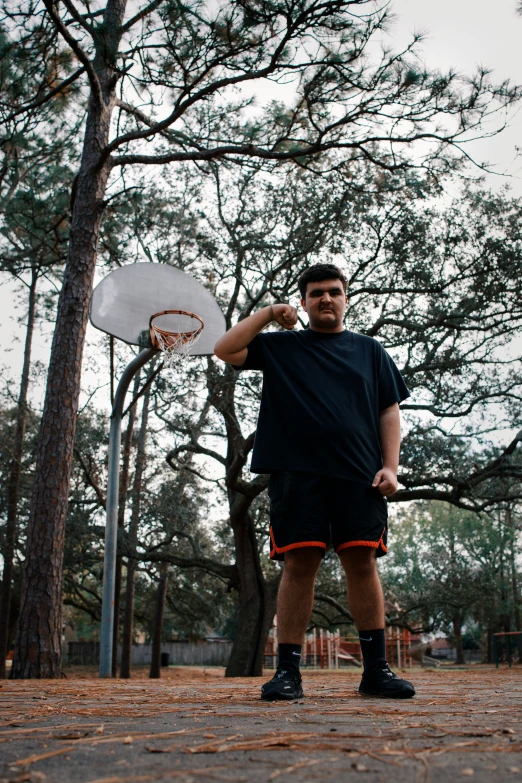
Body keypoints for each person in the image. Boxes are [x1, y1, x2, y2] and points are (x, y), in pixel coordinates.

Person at [214, 263, 415, 700]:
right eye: (317, 292)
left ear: (346, 299)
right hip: (297, 475)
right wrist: (269, 313)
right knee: (299, 565)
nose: (326, 298)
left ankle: (376, 671)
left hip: (359, 474)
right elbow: (224, 349)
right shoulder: (282, 347)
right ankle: (288, 673)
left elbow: (388, 411)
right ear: (303, 302)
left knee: (362, 564)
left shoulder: (371, 351)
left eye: (335, 291)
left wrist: (392, 468)